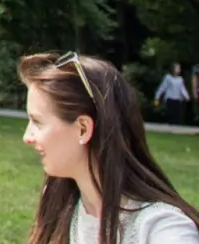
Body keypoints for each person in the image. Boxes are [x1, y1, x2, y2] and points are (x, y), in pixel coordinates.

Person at [18, 52, 199, 244]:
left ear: (83, 129)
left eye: (37, 122)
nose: (26, 137)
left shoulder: (162, 228)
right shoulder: (59, 202)